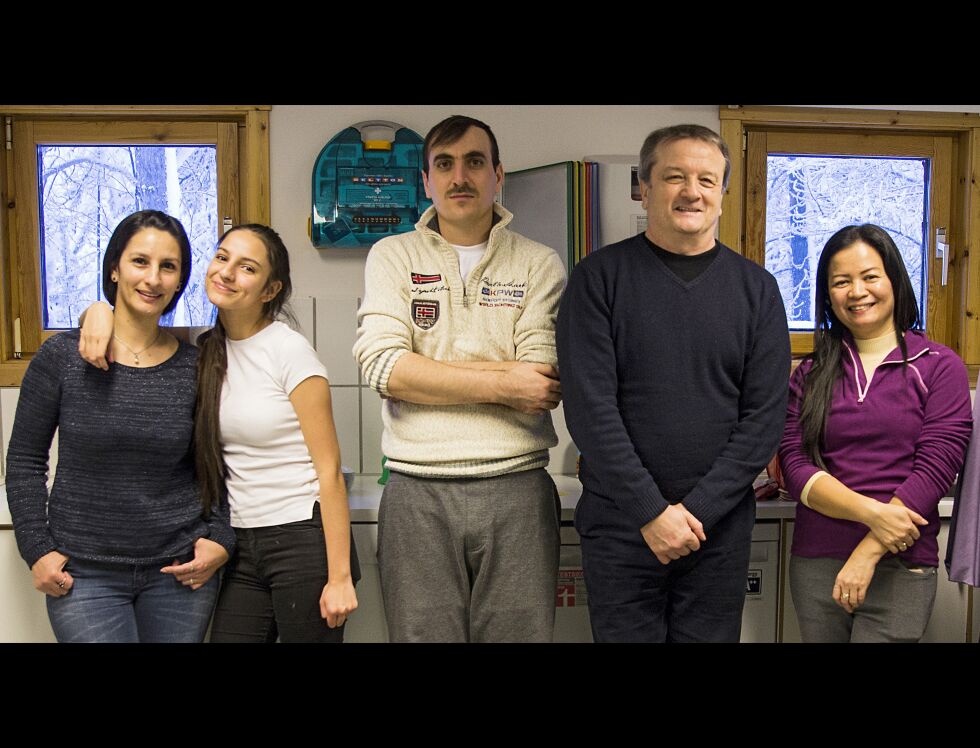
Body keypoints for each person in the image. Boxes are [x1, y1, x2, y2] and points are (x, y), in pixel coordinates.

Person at [556, 124, 791, 642]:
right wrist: (652, 513)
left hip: (718, 532)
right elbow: (591, 411)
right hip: (621, 528)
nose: (692, 191)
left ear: (724, 194)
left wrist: (693, 513)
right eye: (675, 177)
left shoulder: (758, 291)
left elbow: (764, 421)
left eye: (708, 180)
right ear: (645, 186)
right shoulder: (598, 279)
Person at [81, 224, 359, 643]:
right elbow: (134, 330)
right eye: (222, 257)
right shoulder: (203, 346)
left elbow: (331, 472)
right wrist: (96, 311)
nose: (226, 273)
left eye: (247, 268)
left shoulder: (289, 351)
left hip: (303, 540)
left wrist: (339, 577)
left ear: (270, 290)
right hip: (240, 545)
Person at [352, 114, 566, 642]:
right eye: (443, 165)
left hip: (517, 490)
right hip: (416, 490)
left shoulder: (540, 264)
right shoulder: (392, 257)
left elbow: (538, 385)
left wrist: (427, 373)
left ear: (498, 174)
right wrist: (501, 379)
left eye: (474, 162)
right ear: (426, 181)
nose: (459, 177)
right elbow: (383, 368)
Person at [5, 210, 236, 643]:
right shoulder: (62, 358)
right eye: (140, 261)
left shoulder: (197, 364)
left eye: (168, 266)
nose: (153, 278)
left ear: (180, 279)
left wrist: (220, 537)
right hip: (84, 576)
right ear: (114, 268)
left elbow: (217, 462)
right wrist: (36, 549)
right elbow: (24, 460)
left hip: (179, 573)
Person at [779, 223, 972, 642]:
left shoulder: (939, 366)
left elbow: (936, 467)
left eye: (870, 277)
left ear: (894, 281)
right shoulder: (809, 374)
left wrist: (869, 549)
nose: (857, 291)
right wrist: (873, 515)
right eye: (841, 282)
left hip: (901, 562)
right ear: (828, 295)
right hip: (817, 561)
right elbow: (794, 466)